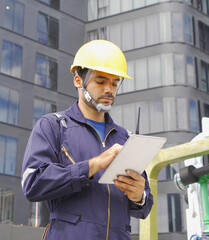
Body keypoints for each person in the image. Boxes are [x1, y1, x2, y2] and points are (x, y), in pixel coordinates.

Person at [21, 40, 153, 240]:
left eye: (115, 82)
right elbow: (33, 183)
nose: (110, 89)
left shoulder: (125, 138)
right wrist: (93, 165)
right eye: (101, 82)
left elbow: (144, 207)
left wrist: (139, 196)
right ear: (78, 80)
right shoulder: (53, 126)